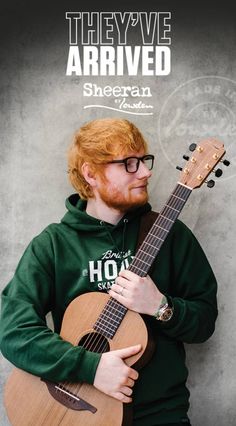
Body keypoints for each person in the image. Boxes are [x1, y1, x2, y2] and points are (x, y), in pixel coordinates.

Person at [0, 118, 218, 426]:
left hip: (161, 415)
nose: (145, 172)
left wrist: (161, 307)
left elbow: (205, 323)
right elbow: (13, 332)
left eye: (144, 160)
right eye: (129, 164)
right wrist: (89, 367)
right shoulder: (52, 245)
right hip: (78, 416)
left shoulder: (171, 234)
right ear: (91, 173)